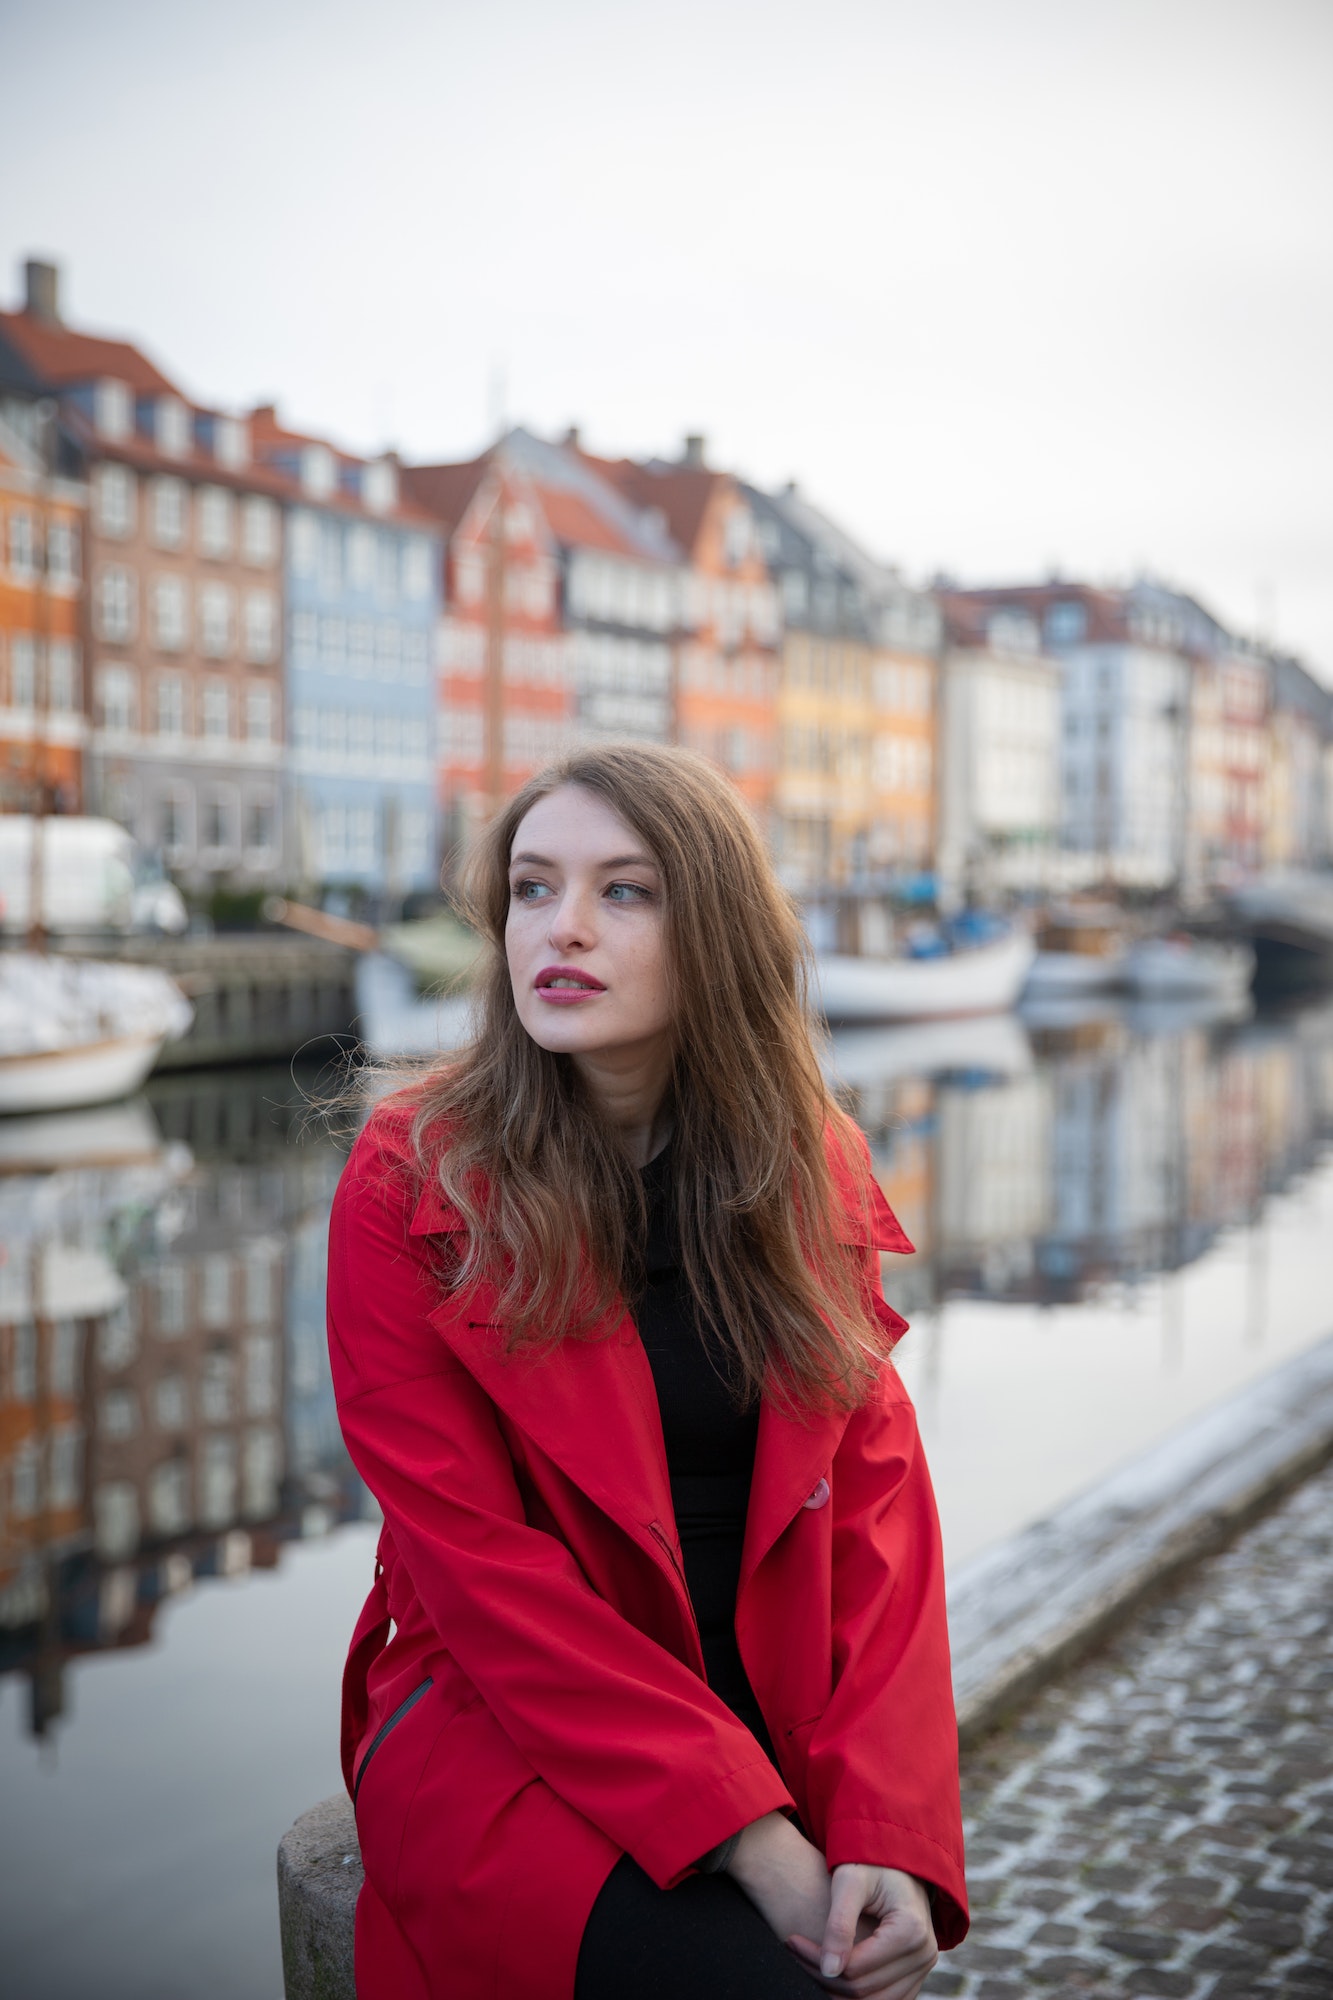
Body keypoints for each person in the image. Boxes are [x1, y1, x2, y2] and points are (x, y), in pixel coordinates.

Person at [328, 744, 968, 2000]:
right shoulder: (414, 1180)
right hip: (505, 1729)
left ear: (714, 931)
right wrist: (748, 1833)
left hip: (765, 1705)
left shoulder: (806, 1160)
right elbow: (477, 1570)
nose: (559, 927)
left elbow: (880, 1512)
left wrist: (885, 1826)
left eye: (625, 890)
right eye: (530, 886)